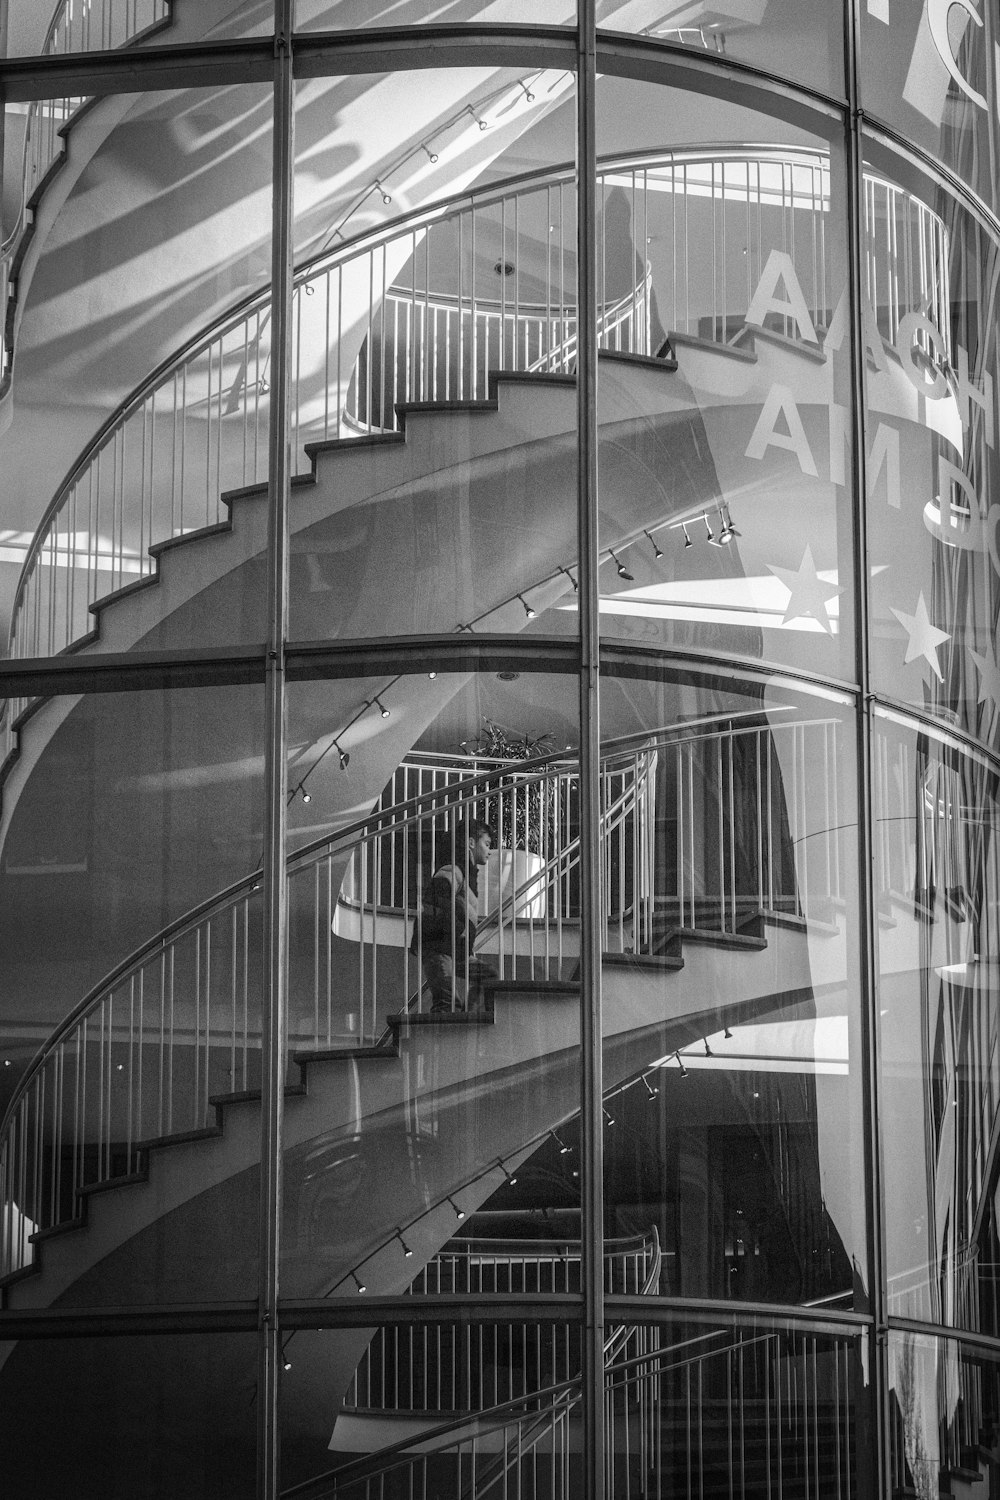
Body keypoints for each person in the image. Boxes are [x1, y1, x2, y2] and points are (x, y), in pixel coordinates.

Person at [411, 818, 495, 1013]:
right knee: (447, 1002)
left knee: (488, 977)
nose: (489, 850)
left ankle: (471, 1016)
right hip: (439, 948)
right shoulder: (453, 870)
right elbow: (435, 902)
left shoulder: (467, 877)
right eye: (487, 844)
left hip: (456, 951)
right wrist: (455, 930)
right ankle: (449, 1032)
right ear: (471, 843)